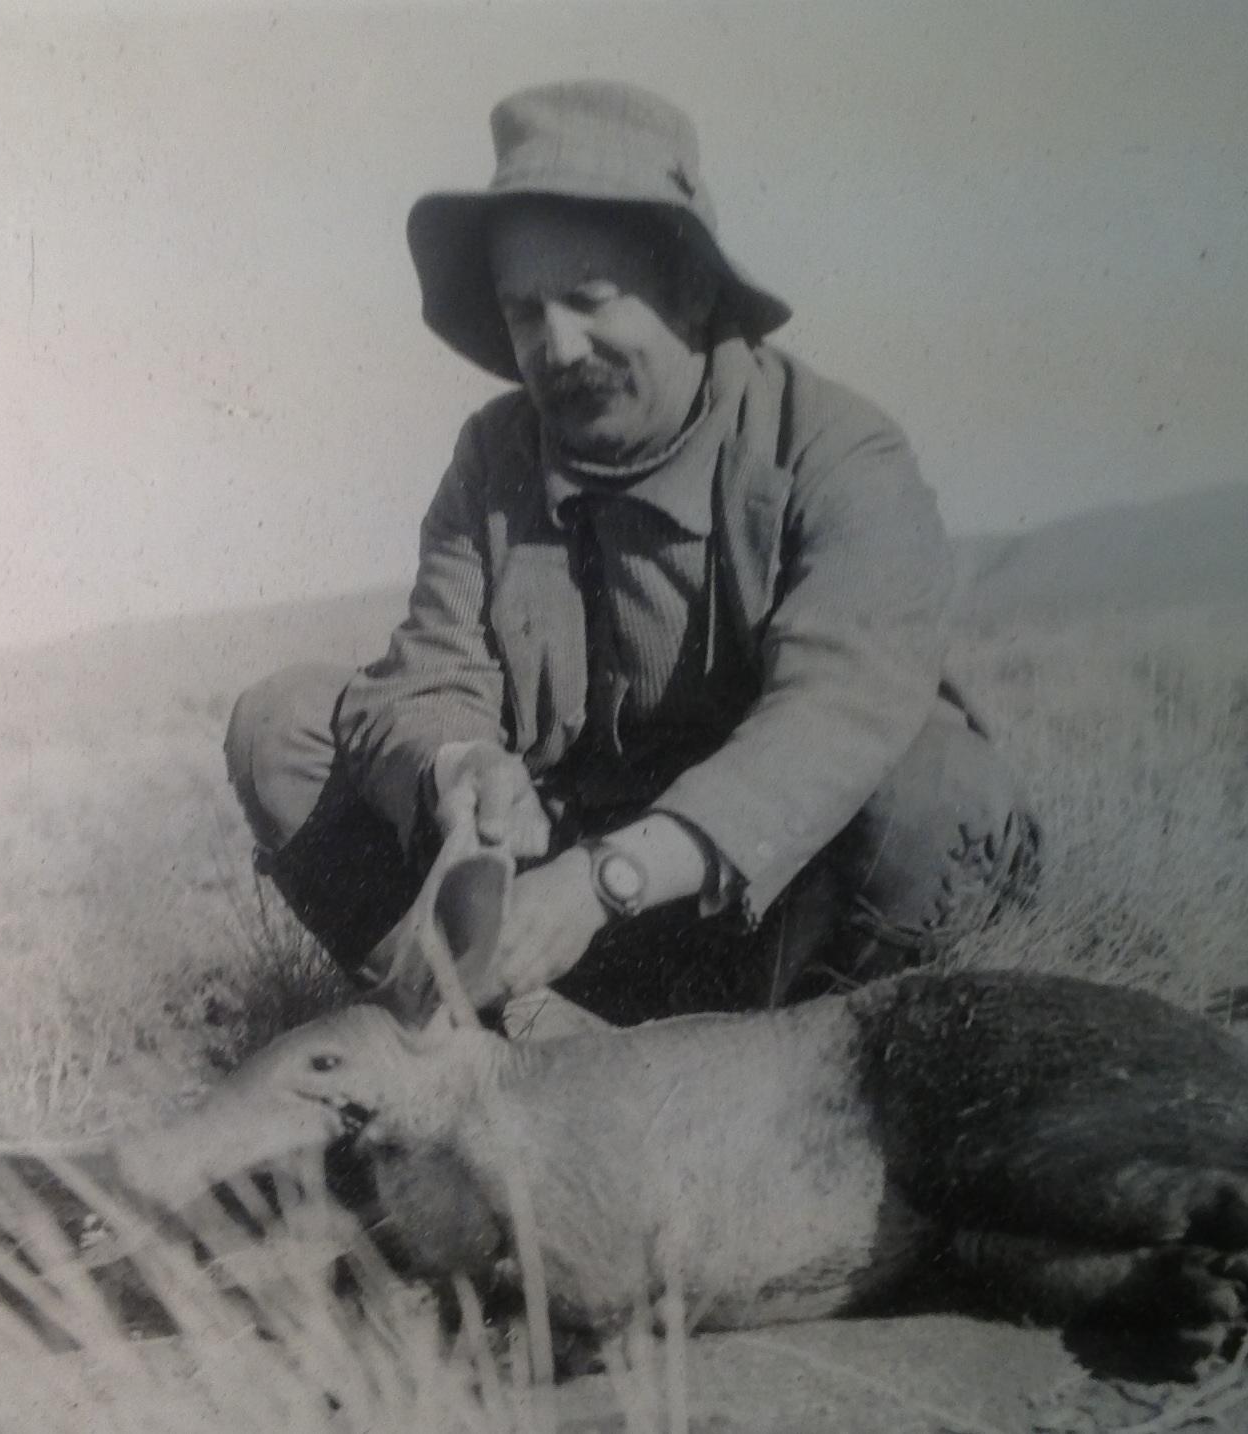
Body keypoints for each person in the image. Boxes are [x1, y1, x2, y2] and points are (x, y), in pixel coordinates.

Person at [226, 80, 1038, 1027]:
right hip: (567, 916)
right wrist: (455, 766)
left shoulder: (833, 449)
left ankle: (805, 1078)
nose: (555, 345)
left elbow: (837, 715)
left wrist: (607, 878)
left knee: (933, 789)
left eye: (588, 300)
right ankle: (491, 1039)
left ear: (689, 290)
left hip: (770, 905)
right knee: (283, 725)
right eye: (524, 310)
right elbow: (430, 671)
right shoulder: (492, 455)